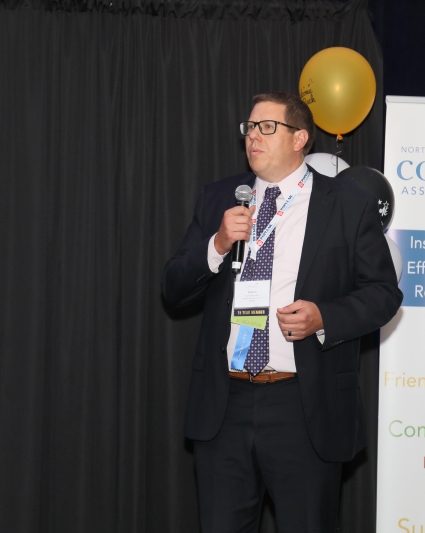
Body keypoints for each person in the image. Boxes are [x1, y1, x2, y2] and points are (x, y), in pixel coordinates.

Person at [161, 92, 402, 532]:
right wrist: (217, 244)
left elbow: (384, 294)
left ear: (300, 138)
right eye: (249, 127)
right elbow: (172, 288)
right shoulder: (219, 199)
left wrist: (324, 317)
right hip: (225, 405)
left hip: (303, 405)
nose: (252, 136)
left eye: (266, 127)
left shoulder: (348, 205)